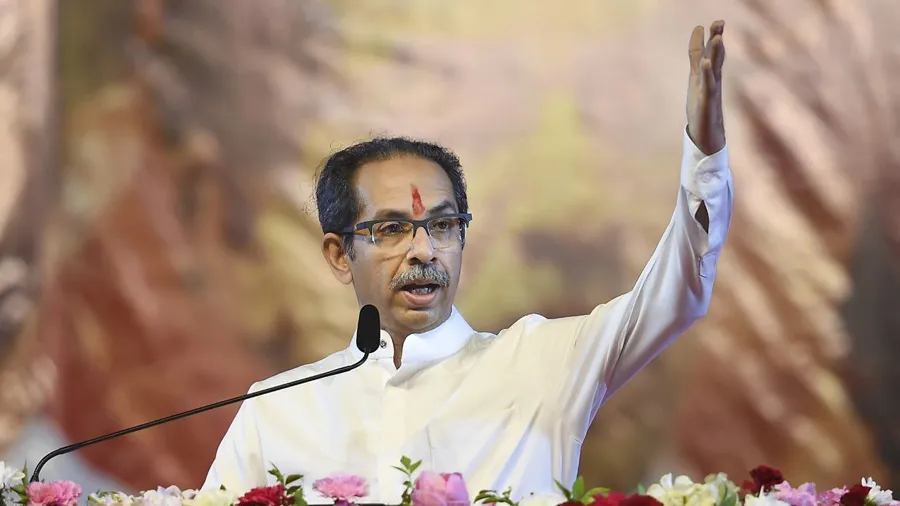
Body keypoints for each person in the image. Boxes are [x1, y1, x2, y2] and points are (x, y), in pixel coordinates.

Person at [202, 21, 733, 502]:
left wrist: (704, 159)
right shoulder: (278, 410)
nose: (424, 250)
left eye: (442, 226)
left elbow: (677, 293)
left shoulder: (541, 365)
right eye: (392, 229)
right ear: (340, 256)